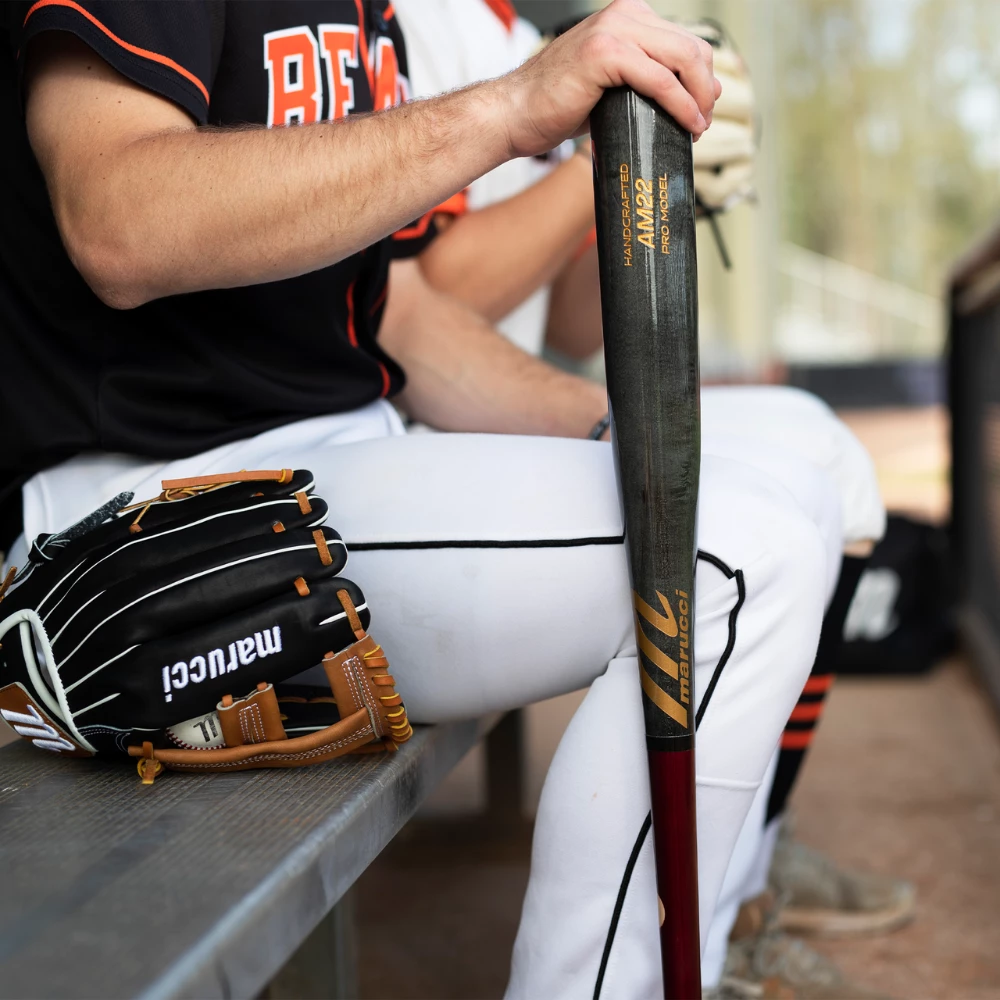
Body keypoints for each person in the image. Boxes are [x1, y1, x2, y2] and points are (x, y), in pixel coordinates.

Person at [3, 1, 832, 995]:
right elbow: (118, 220)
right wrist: (509, 108)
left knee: (784, 478)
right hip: (142, 523)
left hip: (341, 463)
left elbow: (389, 317)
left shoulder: (367, 11)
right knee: (741, 553)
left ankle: (705, 949)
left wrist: (625, 433)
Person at [394, 2, 911, 996]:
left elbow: (575, 324)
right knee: (749, 541)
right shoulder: (420, 22)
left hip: (495, 403)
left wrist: (655, 179)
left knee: (823, 453)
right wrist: (601, 144)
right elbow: (424, 301)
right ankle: (697, 915)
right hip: (438, 418)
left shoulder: (518, 36)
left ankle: (742, 870)